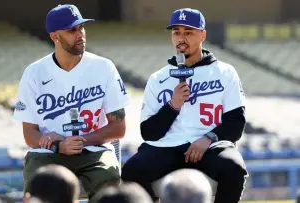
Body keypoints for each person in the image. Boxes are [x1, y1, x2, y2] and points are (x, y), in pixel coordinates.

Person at [121, 8, 248, 203]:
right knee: (131, 170)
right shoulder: (158, 78)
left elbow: (236, 123)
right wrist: (173, 105)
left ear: (202, 35)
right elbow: (149, 133)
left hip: (211, 147)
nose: (181, 38)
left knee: (234, 168)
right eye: (176, 32)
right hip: (167, 147)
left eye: (188, 32)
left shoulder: (225, 72)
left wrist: (208, 138)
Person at [13, 4, 128, 201]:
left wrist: (82, 141)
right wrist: (58, 145)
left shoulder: (104, 67)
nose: (80, 34)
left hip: (94, 150)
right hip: (49, 153)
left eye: (81, 28)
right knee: (37, 188)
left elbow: (118, 128)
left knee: (108, 181)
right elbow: (29, 133)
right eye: (72, 30)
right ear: (55, 36)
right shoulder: (34, 73)